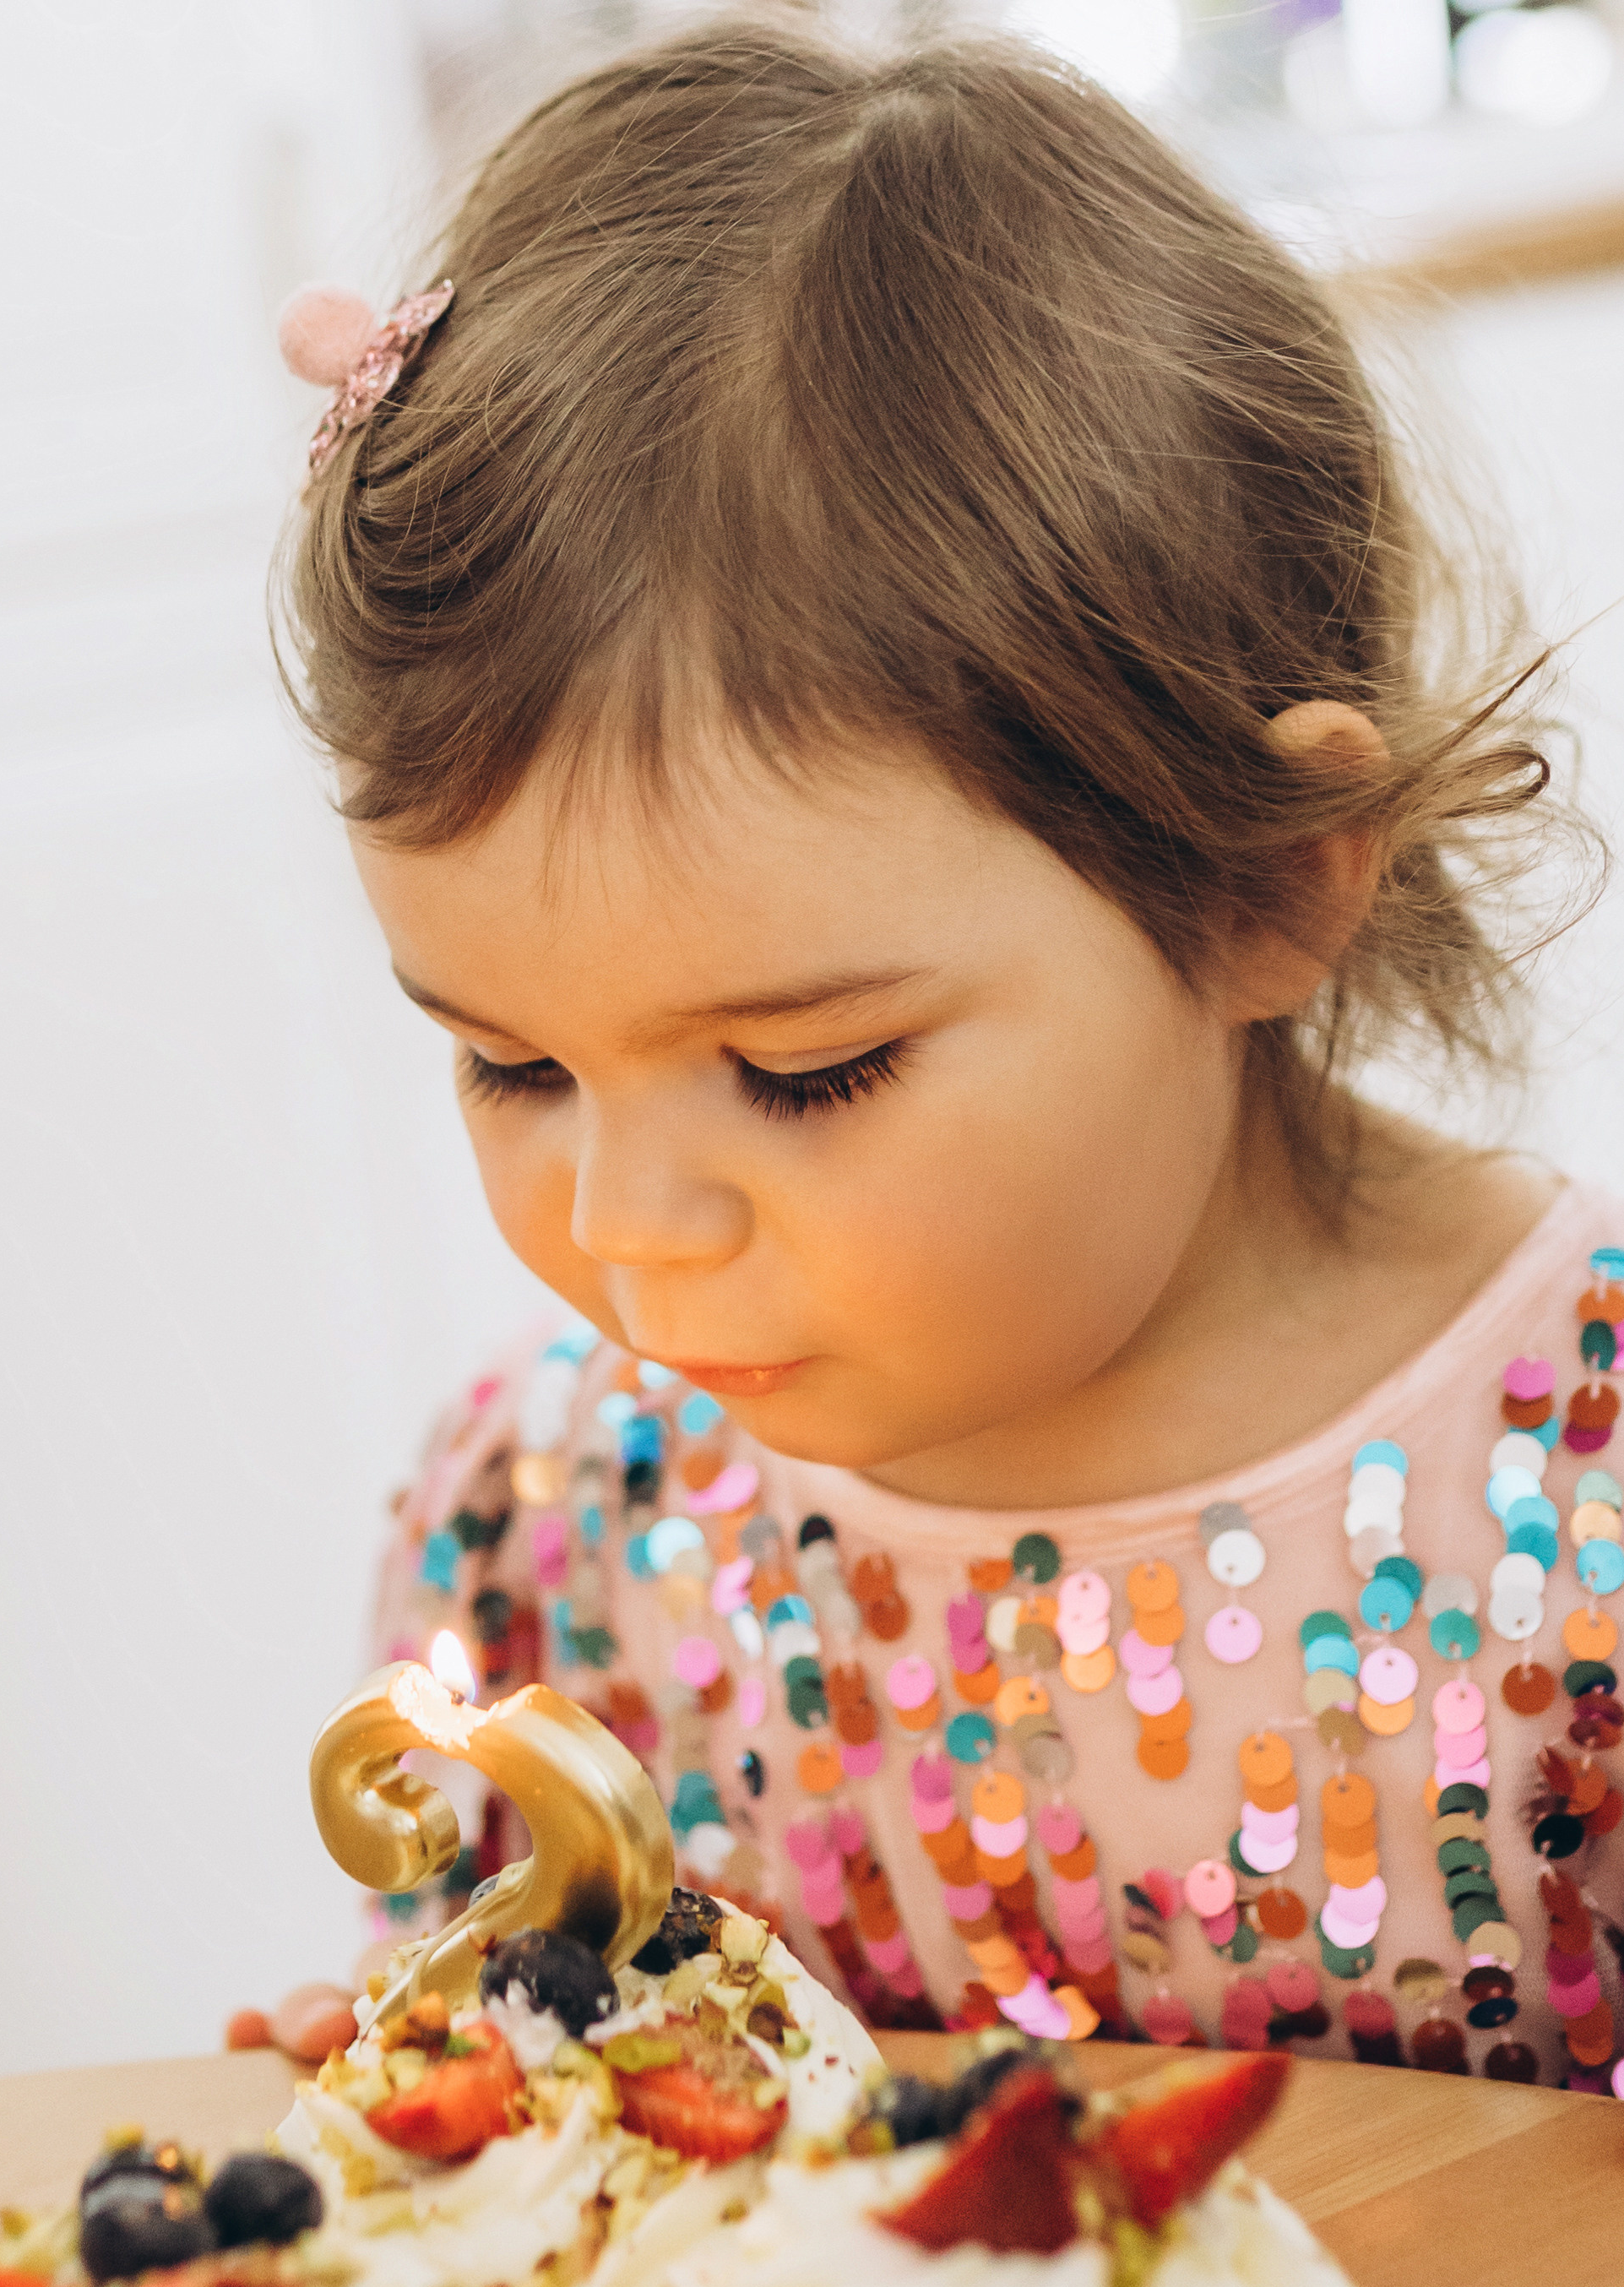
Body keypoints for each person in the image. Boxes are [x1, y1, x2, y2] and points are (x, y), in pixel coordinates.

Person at [256, 18, 1624, 2089]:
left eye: (804, 1074)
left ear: (1262, 886)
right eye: (514, 1067)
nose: (629, 1230)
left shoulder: (1587, 1510)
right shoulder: (555, 1547)